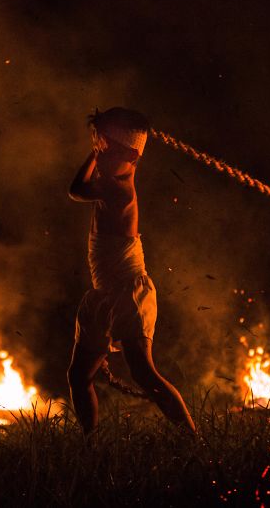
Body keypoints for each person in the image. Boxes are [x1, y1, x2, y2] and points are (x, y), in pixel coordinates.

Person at [67, 107, 196, 435]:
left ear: (130, 155)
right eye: (99, 147)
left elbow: (75, 190)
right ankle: (89, 446)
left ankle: (193, 441)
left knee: (144, 374)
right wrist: (98, 150)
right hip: (105, 294)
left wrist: (97, 153)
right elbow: (80, 187)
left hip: (127, 293)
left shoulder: (118, 189)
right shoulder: (110, 178)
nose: (101, 154)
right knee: (78, 376)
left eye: (106, 148)